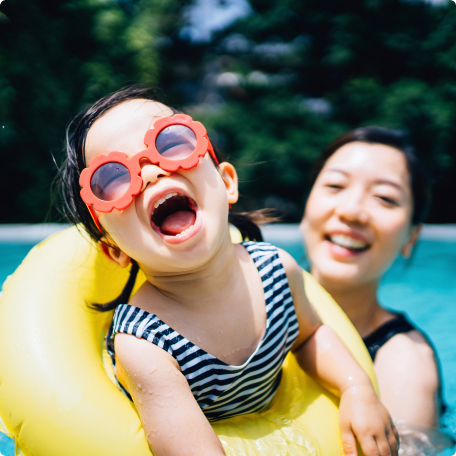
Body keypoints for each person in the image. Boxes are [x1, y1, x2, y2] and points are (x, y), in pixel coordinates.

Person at [59, 86, 398, 456]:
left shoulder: (277, 271)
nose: (153, 172)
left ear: (226, 182)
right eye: (113, 178)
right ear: (114, 250)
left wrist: (356, 389)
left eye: (170, 143)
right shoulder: (143, 342)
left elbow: (311, 336)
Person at [300, 126, 444, 433]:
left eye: (385, 198)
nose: (352, 211)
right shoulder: (245, 308)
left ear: (411, 237)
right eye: (336, 186)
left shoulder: (404, 362)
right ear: (306, 209)